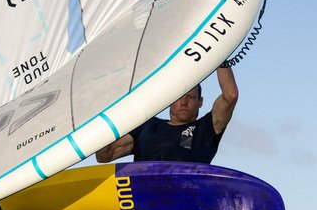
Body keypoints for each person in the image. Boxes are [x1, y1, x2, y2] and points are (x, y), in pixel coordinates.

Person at [95, 62, 238, 163]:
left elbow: (230, 96)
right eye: (179, 97)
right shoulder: (146, 126)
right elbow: (104, 155)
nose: (184, 102)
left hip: (185, 195)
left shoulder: (206, 129)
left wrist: (219, 56)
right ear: (169, 99)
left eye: (190, 97)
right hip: (144, 195)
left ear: (200, 102)